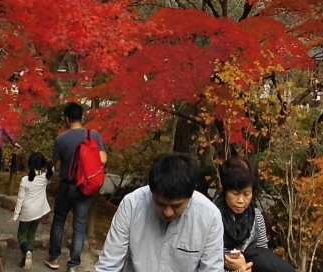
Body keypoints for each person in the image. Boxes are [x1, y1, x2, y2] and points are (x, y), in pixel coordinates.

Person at [94, 153, 223, 272]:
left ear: (190, 196)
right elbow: (108, 265)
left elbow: (212, 269)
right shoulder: (132, 205)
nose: (168, 212)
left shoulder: (209, 216)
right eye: (160, 203)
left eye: (176, 206)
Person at [46, 102, 108, 270]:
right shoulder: (93, 135)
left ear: (66, 119)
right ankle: (73, 265)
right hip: (85, 187)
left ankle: (54, 258)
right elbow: (103, 159)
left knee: (59, 220)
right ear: (82, 117)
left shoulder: (60, 140)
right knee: (80, 225)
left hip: (67, 185)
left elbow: (58, 166)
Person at [214, 155, 295, 272]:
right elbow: (205, 263)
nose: (241, 200)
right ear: (225, 190)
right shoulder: (212, 217)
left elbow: (264, 259)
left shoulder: (256, 217)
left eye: (246, 194)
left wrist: (246, 266)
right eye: (235, 194)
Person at [12, 152, 54, 269]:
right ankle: (27, 256)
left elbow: (20, 199)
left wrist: (15, 215)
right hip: (38, 212)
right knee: (31, 234)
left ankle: (26, 252)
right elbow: (54, 169)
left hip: (27, 212)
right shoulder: (45, 178)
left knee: (21, 235)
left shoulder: (25, 180)